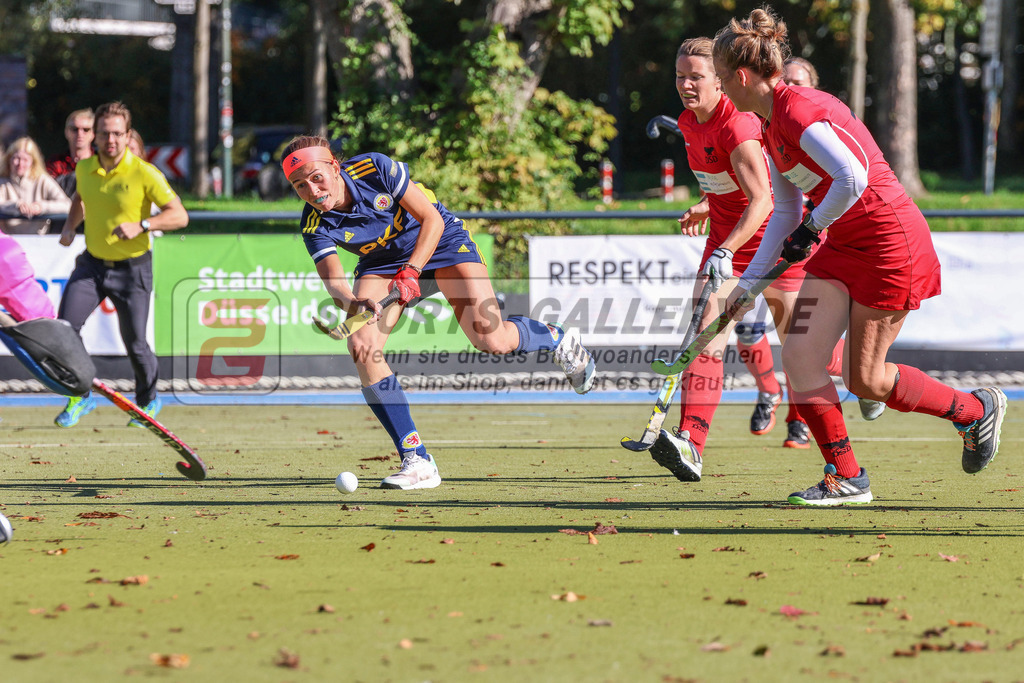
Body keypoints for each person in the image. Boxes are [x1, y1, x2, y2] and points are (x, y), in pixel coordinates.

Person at [711, 8, 1006, 505]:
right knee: (802, 356)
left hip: (890, 243)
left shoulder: (797, 110)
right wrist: (748, 285)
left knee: (865, 379)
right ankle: (846, 476)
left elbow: (852, 178)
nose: (720, 89)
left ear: (741, 77)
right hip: (842, 246)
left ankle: (973, 412)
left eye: (721, 79)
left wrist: (812, 226)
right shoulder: (767, 125)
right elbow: (785, 209)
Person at [281, 135, 596, 490]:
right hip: (383, 262)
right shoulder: (314, 223)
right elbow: (336, 283)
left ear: (334, 167)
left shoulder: (374, 168)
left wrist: (413, 271)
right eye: (299, 186)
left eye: (316, 177)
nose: (312, 190)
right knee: (362, 345)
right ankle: (417, 460)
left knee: (491, 339)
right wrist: (354, 304)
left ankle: (555, 338)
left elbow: (431, 219)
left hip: (440, 240)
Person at [649, 37, 815, 482]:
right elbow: (724, 177)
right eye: (680, 76)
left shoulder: (737, 124)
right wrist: (707, 203)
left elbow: (762, 201)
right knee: (705, 335)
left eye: (696, 76)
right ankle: (690, 443)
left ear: (720, 80)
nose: (686, 84)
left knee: (806, 353)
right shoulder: (688, 120)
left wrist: (725, 249)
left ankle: (867, 375)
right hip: (726, 243)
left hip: (776, 248)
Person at [55, 101, 189, 428]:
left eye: (117, 133)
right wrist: (71, 227)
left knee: (135, 344)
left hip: (132, 269)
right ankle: (80, 395)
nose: (111, 140)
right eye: (105, 133)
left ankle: (148, 400)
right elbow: (81, 198)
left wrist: (143, 225)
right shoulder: (85, 170)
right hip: (92, 267)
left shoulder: (145, 172)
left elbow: (180, 215)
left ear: (128, 135)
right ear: (95, 137)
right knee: (63, 331)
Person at [0, 136, 72, 235]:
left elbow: (67, 205)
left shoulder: (43, 180)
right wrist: (16, 205)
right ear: (9, 159)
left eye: (25, 159)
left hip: (38, 241)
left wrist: (41, 206)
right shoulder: (3, 182)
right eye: (16, 158)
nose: (20, 163)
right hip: (10, 241)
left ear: (33, 162)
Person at [46, 108, 95, 198]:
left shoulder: (102, 161)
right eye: (74, 129)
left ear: (93, 133)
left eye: (86, 129)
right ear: (66, 132)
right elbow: (47, 192)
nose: (80, 133)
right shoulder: (55, 164)